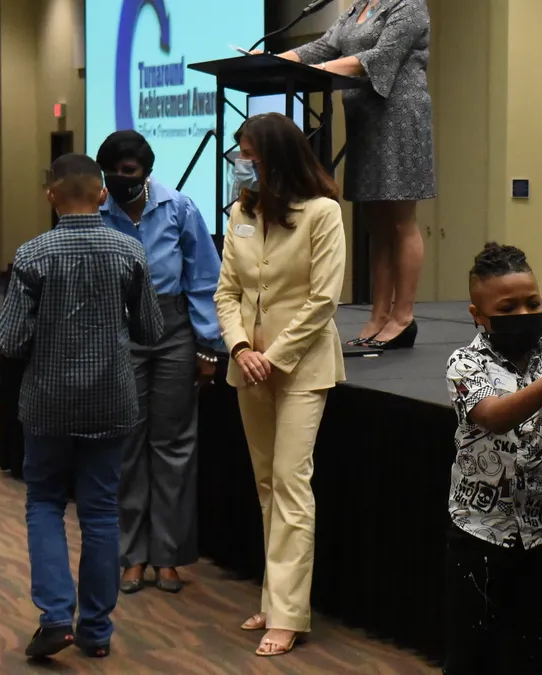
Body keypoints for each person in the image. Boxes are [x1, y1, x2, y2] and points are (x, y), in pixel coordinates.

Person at [0, 154, 163, 659]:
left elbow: (8, 340)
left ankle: (54, 618)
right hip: (111, 400)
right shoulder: (128, 250)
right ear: (103, 195)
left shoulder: (32, 255)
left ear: (51, 196)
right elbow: (151, 331)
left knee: (44, 502)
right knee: (100, 512)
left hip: (47, 402)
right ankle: (95, 631)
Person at [214, 113, 347, 657]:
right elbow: (226, 294)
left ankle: (290, 613)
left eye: (248, 153)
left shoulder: (322, 213)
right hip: (249, 365)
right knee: (266, 483)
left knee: (292, 483)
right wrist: (242, 349)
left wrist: (275, 355)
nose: (241, 162)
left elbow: (324, 299)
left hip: (303, 368)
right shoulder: (241, 214)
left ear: (275, 158)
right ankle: (274, 596)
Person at [443, 242, 542, 675]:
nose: (524, 314)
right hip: (481, 535)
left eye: (532, 303)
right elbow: (493, 417)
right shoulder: (465, 363)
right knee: (474, 654)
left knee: (540, 652)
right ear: (479, 314)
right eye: (507, 308)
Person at [95, 130, 225, 595]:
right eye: (111, 172)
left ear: (145, 172)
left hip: (173, 330)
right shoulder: (99, 212)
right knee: (128, 443)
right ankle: (133, 555)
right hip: (121, 330)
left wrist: (209, 347)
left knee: (174, 444)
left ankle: (168, 556)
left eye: (127, 172)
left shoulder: (179, 208)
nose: (118, 179)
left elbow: (204, 279)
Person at [276, 0, 435, 349]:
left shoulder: (409, 6)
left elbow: (380, 57)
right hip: (364, 120)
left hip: (400, 117)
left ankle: (403, 317)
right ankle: (378, 316)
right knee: (376, 224)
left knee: (400, 220)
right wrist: (272, 62)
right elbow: (319, 47)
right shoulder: (356, 9)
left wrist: (320, 68)